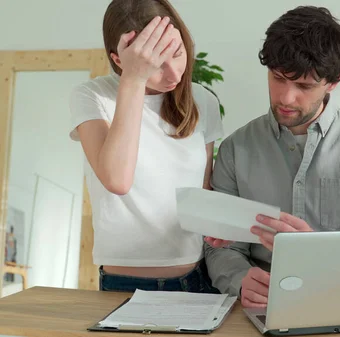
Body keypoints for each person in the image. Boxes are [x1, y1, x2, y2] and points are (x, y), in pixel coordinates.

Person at [204, 6, 340, 308]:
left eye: (304, 86)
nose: (286, 97)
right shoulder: (235, 148)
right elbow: (222, 246)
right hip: (263, 307)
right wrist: (239, 279)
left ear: (334, 81)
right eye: (277, 78)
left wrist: (316, 252)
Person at [69, 0, 226, 293]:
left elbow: (202, 191)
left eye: (178, 53)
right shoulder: (92, 96)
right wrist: (134, 79)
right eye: (155, 65)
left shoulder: (203, 100)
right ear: (119, 60)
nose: (175, 74)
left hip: (196, 277)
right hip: (125, 284)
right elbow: (117, 179)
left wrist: (218, 227)